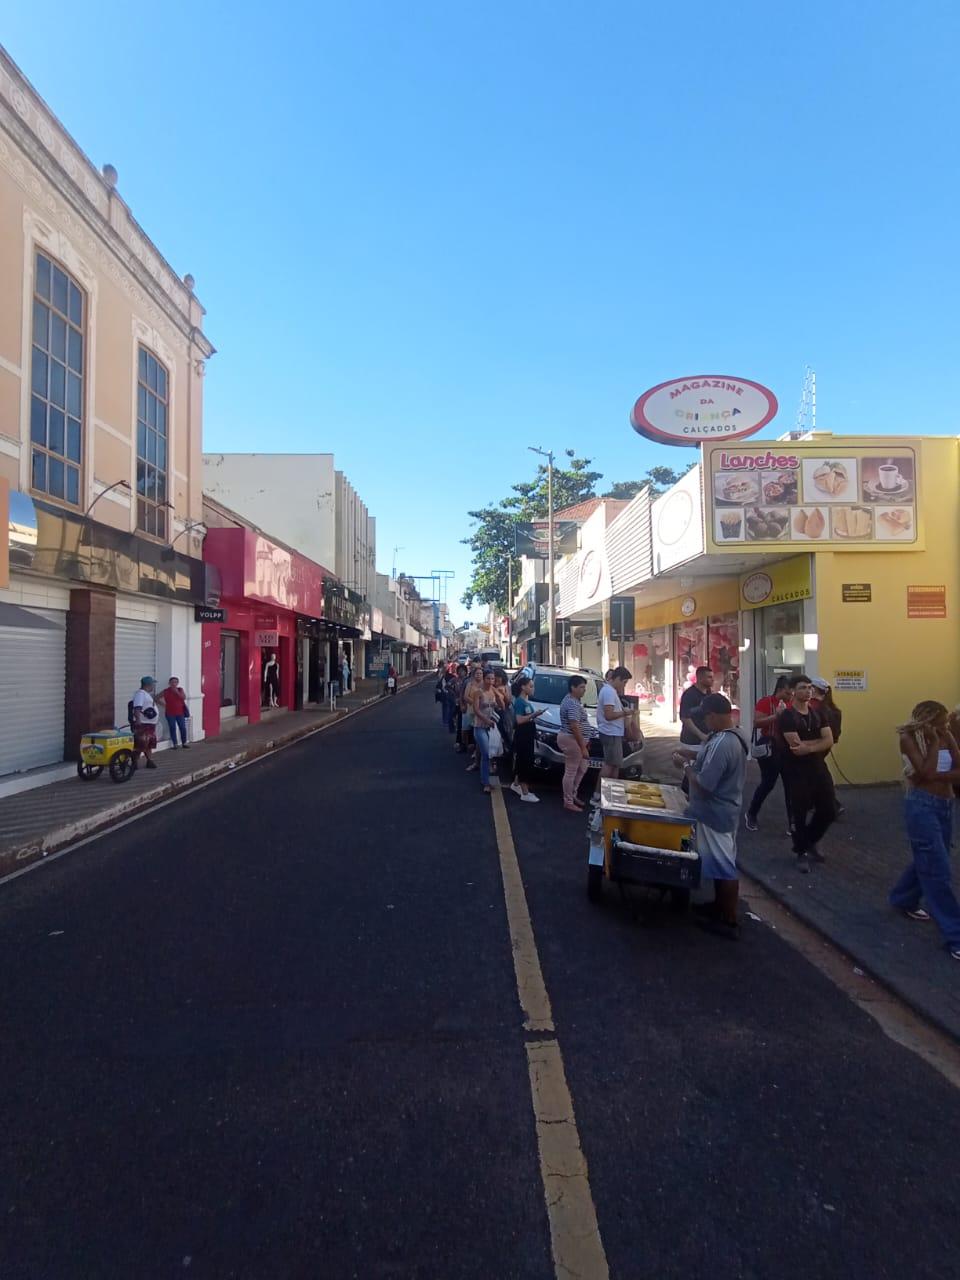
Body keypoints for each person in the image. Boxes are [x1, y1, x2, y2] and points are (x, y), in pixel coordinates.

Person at [673, 693, 748, 940]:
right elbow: (709, 759)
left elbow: (705, 784)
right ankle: (718, 906)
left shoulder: (724, 743)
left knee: (725, 866)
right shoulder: (729, 736)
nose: (704, 722)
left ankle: (729, 920)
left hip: (716, 813)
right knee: (719, 862)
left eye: (705, 717)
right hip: (721, 811)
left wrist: (685, 768)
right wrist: (690, 754)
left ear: (714, 716)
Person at [890, 701, 960, 960]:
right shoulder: (908, 739)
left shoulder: (947, 735)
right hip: (922, 806)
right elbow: (926, 770)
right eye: (941, 722)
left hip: (944, 805)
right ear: (928, 721)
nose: (946, 725)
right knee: (938, 868)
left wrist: (939, 776)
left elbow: (956, 770)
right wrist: (933, 744)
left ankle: (903, 897)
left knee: (930, 856)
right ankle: (955, 935)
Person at [778, 674, 836, 872]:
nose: (808, 691)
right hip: (796, 771)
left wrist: (809, 747)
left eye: (810, 687)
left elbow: (829, 740)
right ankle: (801, 851)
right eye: (803, 687)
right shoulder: (787, 716)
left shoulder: (819, 713)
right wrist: (816, 744)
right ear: (793, 690)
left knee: (829, 809)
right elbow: (795, 746)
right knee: (799, 812)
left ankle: (808, 841)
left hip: (818, 768)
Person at [743, 675, 791, 831]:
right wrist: (776, 716)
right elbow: (757, 722)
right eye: (789, 691)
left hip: (787, 749)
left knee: (791, 786)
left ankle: (793, 823)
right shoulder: (766, 702)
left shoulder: (792, 704)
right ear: (781, 690)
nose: (791, 694)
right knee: (767, 784)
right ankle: (751, 813)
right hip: (769, 748)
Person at [557, 675, 594, 812]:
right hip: (571, 739)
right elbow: (575, 726)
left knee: (582, 767)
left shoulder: (573, 700)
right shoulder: (571, 703)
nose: (584, 690)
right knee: (571, 771)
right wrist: (582, 747)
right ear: (573, 688)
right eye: (581, 687)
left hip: (576, 739)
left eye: (584, 687)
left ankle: (573, 794)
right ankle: (568, 800)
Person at [510, 674, 545, 802]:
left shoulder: (526, 701)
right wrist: (533, 715)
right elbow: (519, 720)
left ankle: (516, 784)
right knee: (525, 761)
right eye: (530, 686)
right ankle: (525, 792)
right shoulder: (519, 702)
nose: (533, 688)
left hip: (528, 735)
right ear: (523, 687)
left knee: (522, 760)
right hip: (523, 736)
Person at [597, 666, 634, 782]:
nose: (624, 686)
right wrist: (624, 712)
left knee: (614, 765)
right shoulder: (609, 692)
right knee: (610, 765)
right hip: (611, 732)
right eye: (624, 682)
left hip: (613, 732)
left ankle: (609, 792)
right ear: (617, 678)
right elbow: (609, 715)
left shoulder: (609, 691)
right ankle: (598, 794)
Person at [471, 668, 500, 795]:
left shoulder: (493, 691)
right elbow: (476, 710)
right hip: (480, 726)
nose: (490, 681)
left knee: (491, 752)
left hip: (491, 727)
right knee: (486, 753)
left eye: (492, 679)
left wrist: (499, 696)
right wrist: (486, 720)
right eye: (488, 678)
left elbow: (500, 705)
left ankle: (487, 776)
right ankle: (485, 782)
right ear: (484, 678)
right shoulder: (478, 692)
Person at [679, 666, 714, 746]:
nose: (713, 679)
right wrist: (702, 736)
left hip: (707, 739)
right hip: (691, 741)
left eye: (712, 677)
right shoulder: (689, 694)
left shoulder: (709, 692)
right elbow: (685, 718)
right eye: (709, 677)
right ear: (700, 678)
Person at [131, 675, 159, 770]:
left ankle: (149, 761)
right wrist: (138, 720)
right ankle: (134, 762)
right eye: (152, 684)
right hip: (143, 724)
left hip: (149, 724)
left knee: (148, 743)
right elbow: (137, 708)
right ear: (148, 685)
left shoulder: (146, 694)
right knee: (140, 744)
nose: (153, 687)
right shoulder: (140, 694)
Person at [160, 676, 190, 749]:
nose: (174, 684)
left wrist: (176, 692)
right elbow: (156, 698)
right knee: (172, 728)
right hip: (170, 713)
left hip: (180, 713)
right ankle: (175, 744)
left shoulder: (180, 690)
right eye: (172, 682)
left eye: (175, 682)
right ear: (169, 683)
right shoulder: (166, 691)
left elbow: (183, 697)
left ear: (177, 683)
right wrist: (164, 704)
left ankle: (184, 742)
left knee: (182, 727)